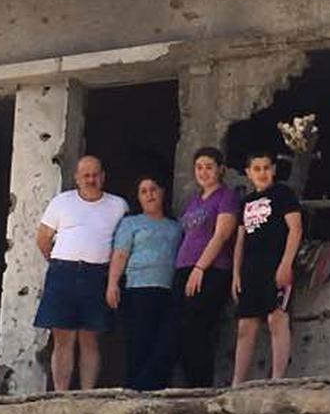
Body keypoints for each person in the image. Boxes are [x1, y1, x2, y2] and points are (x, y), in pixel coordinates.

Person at [33, 155, 128, 391]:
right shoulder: (61, 202)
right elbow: (43, 238)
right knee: (62, 338)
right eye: (85, 175)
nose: (91, 179)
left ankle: (87, 395)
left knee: (90, 338)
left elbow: (123, 244)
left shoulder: (118, 205)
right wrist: (58, 263)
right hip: (63, 272)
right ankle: (60, 395)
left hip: (97, 275)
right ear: (76, 178)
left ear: (103, 177)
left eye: (95, 175)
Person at [231, 151, 304, 386]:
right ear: (248, 173)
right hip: (251, 269)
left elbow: (295, 229)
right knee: (245, 325)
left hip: (276, 264)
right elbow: (240, 241)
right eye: (256, 168)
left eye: (265, 168)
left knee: (276, 319)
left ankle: (277, 380)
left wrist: (286, 264)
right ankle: (237, 382)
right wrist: (236, 274)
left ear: (273, 170)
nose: (261, 173)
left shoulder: (283, 194)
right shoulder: (245, 202)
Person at [106, 175, 183, 391]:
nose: (150, 194)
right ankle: (135, 390)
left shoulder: (175, 226)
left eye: (153, 189)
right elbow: (120, 254)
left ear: (162, 192)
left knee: (164, 343)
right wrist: (112, 283)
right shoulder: (131, 224)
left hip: (167, 290)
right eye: (144, 191)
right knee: (139, 341)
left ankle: (156, 389)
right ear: (138, 197)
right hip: (138, 290)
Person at [172, 146, 241, 388]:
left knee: (197, 327)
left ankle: (201, 387)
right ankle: (190, 385)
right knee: (181, 329)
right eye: (199, 167)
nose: (203, 172)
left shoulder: (226, 197)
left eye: (209, 167)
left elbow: (221, 235)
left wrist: (200, 268)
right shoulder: (193, 201)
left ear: (220, 169)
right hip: (184, 268)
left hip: (210, 270)